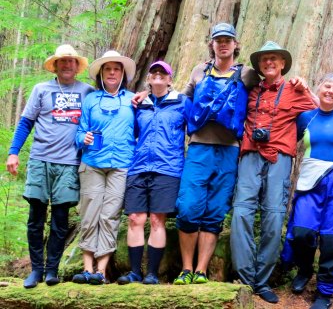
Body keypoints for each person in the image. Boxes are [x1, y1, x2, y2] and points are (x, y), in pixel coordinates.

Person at [172, 23, 260, 285]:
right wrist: (145, 97)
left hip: (229, 150)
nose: (223, 44)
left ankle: (201, 269)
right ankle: (185, 268)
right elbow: (181, 98)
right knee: (188, 208)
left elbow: (269, 91)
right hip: (199, 147)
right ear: (211, 44)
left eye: (228, 40)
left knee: (215, 210)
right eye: (218, 40)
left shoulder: (247, 73)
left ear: (235, 44)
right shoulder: (200, 70)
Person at [230, 41, 316, 304]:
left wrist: (307, 87)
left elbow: (317, 110)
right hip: (249, 153)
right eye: (264, 59)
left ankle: (262, 280)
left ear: (282, 65)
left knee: (274, 216)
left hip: (280, 156)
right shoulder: (250, 90)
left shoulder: (294, 90)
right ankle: (245, 278)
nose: (269, 63)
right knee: (242, 212)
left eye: (274, 59)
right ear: (259, 65)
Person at [6, 44, 94, 288]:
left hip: (68, 163)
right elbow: (26, 123)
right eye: (62, 61)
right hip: (40, 160)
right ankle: (36, 270)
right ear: (55, 65)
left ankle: (52, 270)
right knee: (35, 217)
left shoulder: (87, 91)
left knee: (60, 219)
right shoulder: (41, 90)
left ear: (77, 66)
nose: (67, 65)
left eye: (71, 61)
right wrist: (13, 152)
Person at [283, 73, 333, 309]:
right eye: (327, 86)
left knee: (332, 238)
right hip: (310, 182)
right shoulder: (305, 118)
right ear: (319, 88)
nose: (331, 91)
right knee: (303, 231)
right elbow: (286, 138)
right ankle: (304, 269)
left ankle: (325, 291)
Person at [117, 61, 191, 285]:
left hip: (168, 168)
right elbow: (133, 132)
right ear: (148, 79)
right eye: (154, 73)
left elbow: (195, 128)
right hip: (139, 167)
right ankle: (134, 272)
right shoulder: (139, 105)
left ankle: (151, 273)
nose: (158, 76)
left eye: (163, 73)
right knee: (135, 218)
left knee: (158, 220)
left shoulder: (182, 102)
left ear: (170, 79)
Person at [72, 50, 137, 285]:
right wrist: (84, 138)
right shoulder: (91, 100)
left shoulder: (132, 100)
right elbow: (79, 131)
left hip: (121, 164)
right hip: (92, 164)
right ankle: (87, 268)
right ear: (101, 74)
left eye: (116, 69)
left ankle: (101, 271)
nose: (112, 72)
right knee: (90, 214)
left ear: (122, 74)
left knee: (110, 216)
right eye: (108, 69)